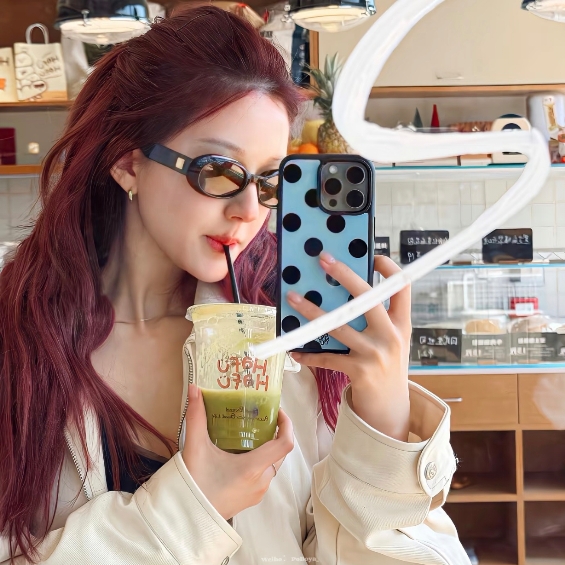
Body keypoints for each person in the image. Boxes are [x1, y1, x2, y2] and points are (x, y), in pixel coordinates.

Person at [0, 6, 470, 564]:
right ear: (128, 165)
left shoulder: (294, 344)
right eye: (219, 170)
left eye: (270, 179)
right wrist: (189, 510)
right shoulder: (18, 340)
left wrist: (384, 423)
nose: (250, 210)